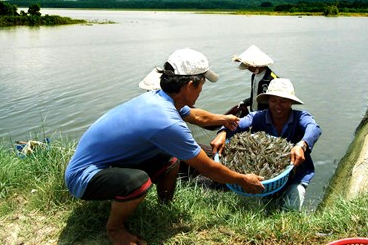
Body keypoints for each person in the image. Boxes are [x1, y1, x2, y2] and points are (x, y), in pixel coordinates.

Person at [64, 48, 265, 245]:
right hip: (84, 177)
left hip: (109, 164)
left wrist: (225, 119)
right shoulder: (165, 120)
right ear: (190, 85)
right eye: (202, 83)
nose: (203, 88)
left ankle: (164, 206)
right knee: (138, 182)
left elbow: (198, 116)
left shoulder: (162, 99)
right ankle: (115, 228)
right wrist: (242, 180)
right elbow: (207, 168)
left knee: (171, 159)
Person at [210, 78, 321, 211]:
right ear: (268, 101)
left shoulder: (301, 117)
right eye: (273, 101)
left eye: (283, 101)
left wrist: (302, 145)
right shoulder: (257, 117)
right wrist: (222, 133)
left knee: (291, 209)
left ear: (291, 102)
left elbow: (314, 128)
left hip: (296, 176)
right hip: (264, 181)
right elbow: (238, 124)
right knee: (257, 209)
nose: (278, 105)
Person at [232, 45, 279, 113]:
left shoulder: (272, 79)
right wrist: (245, 102)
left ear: (258, 65)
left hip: (266, 115)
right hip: (254, 112)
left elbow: (276, 103)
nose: (248, 69)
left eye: (249, 67)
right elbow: (255, 96)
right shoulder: (254, 76)